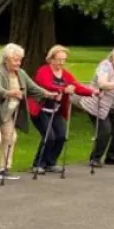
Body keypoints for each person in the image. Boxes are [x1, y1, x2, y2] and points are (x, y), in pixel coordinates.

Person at [0, 43, 55, 183]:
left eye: (20, 59)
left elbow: (32, 88)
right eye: (15, 60)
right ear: (6, 59)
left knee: (10, 137)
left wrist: (49, 94)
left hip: (7, 112)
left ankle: (4, 169)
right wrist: (10, 92)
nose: (18, 62)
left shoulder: (21, 73)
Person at [27, 45, 96, 174]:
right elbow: (46, 85)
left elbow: (76, 86)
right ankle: (38, 164)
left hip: (55, 110)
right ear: (51, 59)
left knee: (61, 136)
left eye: (64, 60)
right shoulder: (43, 71)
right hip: (40, 109)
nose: (61, 63)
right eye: (58, 59)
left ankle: (51, 163)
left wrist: (93, 93)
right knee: (49, 136)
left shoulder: (65, 75)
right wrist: (63, 89)